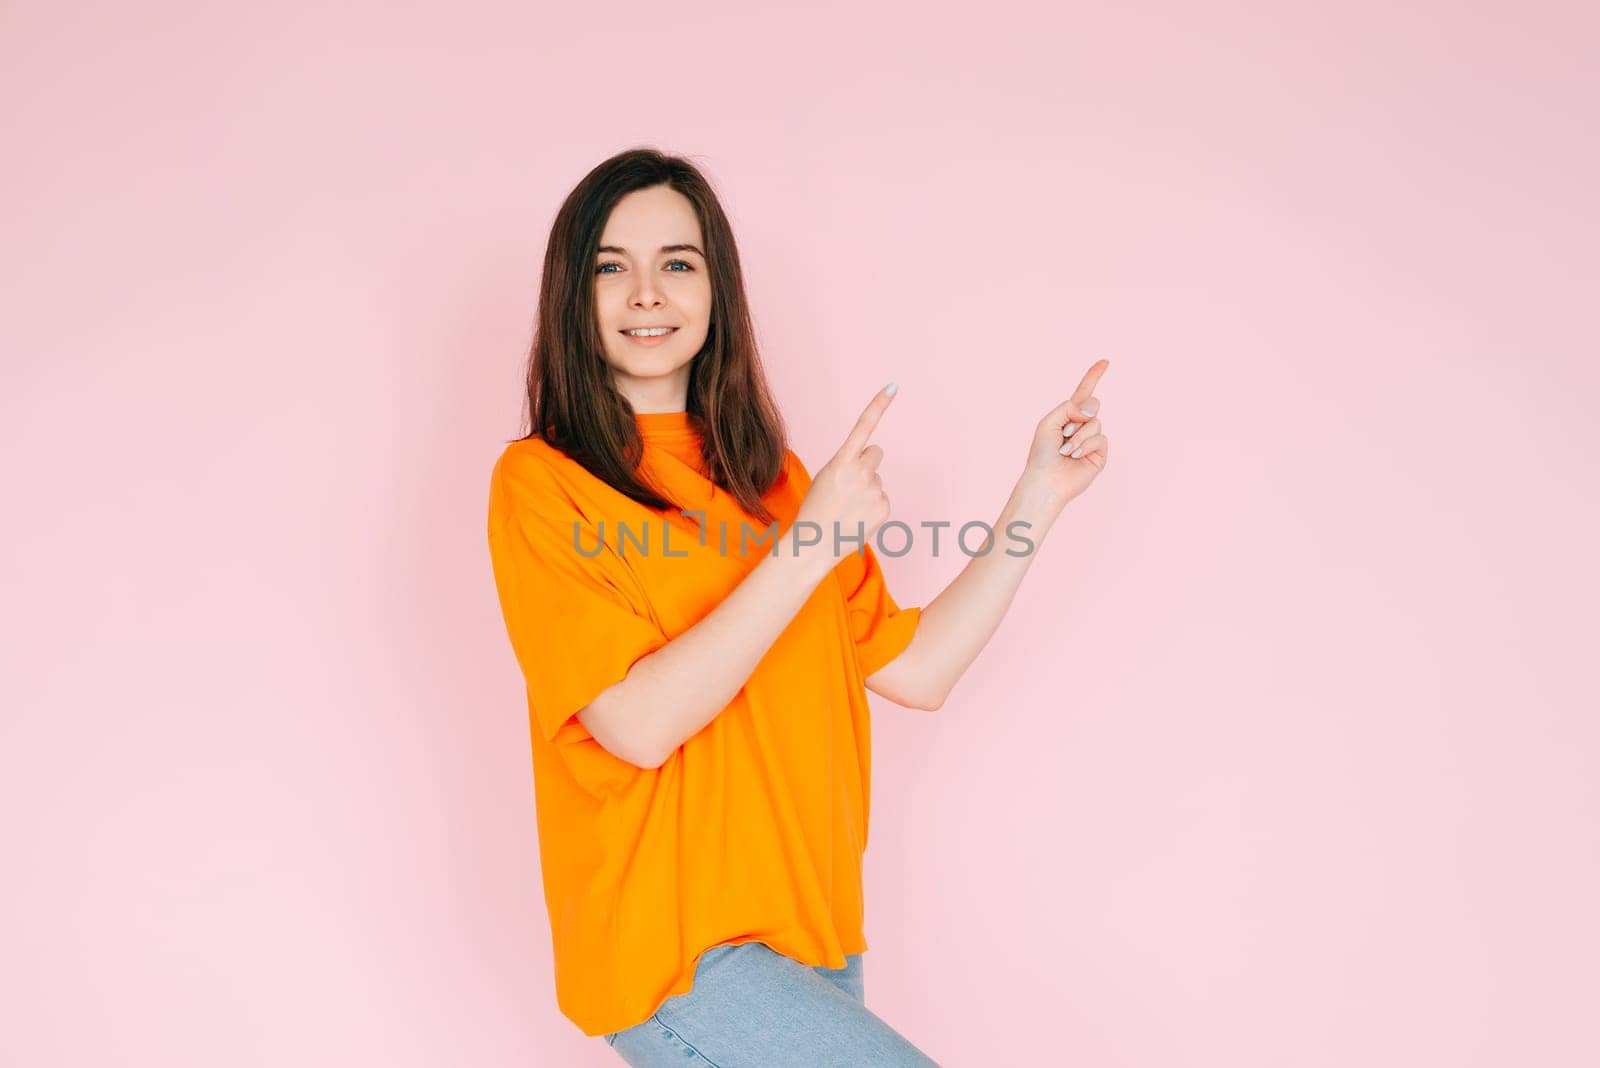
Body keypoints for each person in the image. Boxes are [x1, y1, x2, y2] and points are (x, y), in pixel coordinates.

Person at [485, 147, 1111, 1065]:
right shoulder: (543, 485)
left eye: (678, 264)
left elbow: (919, 669)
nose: (647, 294)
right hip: (681, 953)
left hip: (815, 940)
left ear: (717, 291)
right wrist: (811, 542)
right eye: (612, 267)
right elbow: (638, 723)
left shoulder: (774, 483)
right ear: (572, 294)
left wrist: (1040, 495)